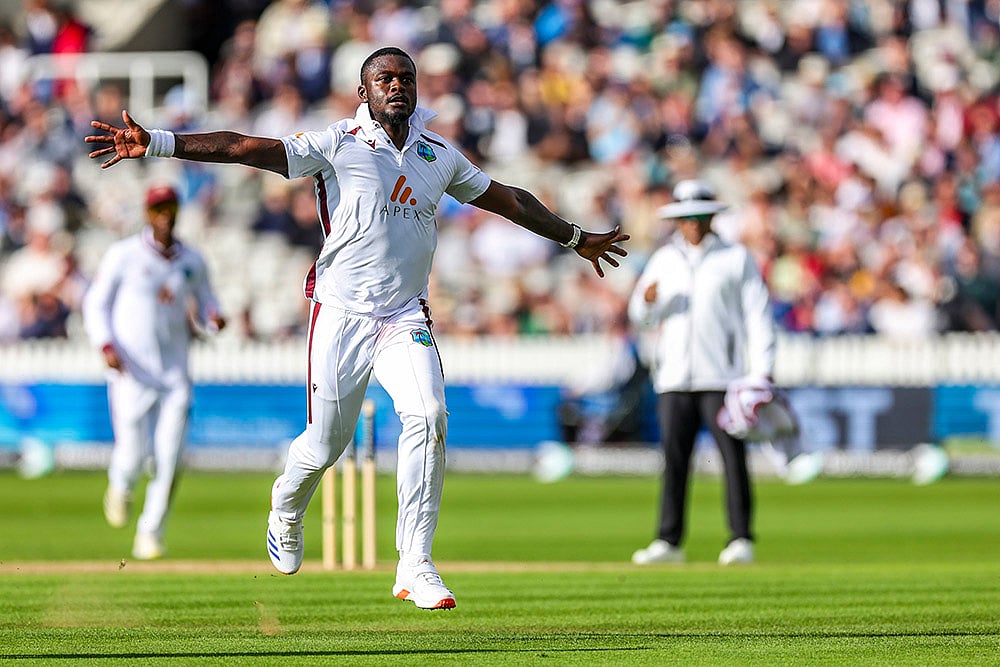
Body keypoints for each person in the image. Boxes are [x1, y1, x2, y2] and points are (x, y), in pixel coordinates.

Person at [85, 46, 629, 609]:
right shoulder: (337, 142)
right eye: (384, 79)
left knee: (430, 415)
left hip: (404, 316)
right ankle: (286, 506)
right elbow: (246, 147)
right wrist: (160, 142)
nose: (397, 86)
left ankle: (415, 564)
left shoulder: (438, 153)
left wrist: (572, 237)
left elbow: (506, 198)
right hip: (341, 313)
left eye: (406, 78)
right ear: (363, 91)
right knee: (325, 446)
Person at [627, 179, 774, 566]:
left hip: (723, 377)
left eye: (698, 217)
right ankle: (668, 541)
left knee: (732, 457)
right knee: (674, 459)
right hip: (674, 377)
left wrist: (761, 373)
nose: (692, 224)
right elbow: (640, 315)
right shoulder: (664, 259)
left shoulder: (735, 257)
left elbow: (758, 317)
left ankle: (741, 538)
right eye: (685, 218)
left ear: (711, 218)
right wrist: (646, 304)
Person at [82, 184, 226, 560]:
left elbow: (209, 302)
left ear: (177, 211)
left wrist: (213, 319)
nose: (164, 216)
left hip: (175, 373)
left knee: (171, 458)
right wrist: (105, 345)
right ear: (148, 214)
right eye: (157, 209)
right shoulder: (124, 255)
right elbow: (95, 304)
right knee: (132, 455)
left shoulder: (192, 260)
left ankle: (150, 532)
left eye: (170, 208)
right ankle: (121, 484)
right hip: (131, 371)